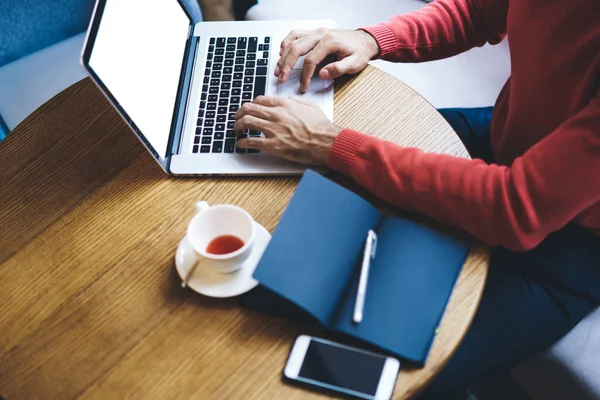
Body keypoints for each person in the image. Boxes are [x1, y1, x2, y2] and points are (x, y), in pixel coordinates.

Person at [233, 0, 600, 398]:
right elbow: (478, 12)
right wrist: (371, 39)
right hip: (503, 139)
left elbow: (512, 207)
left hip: (567, 248)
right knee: (298, 190)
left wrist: (330, 143)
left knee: (370, 375)